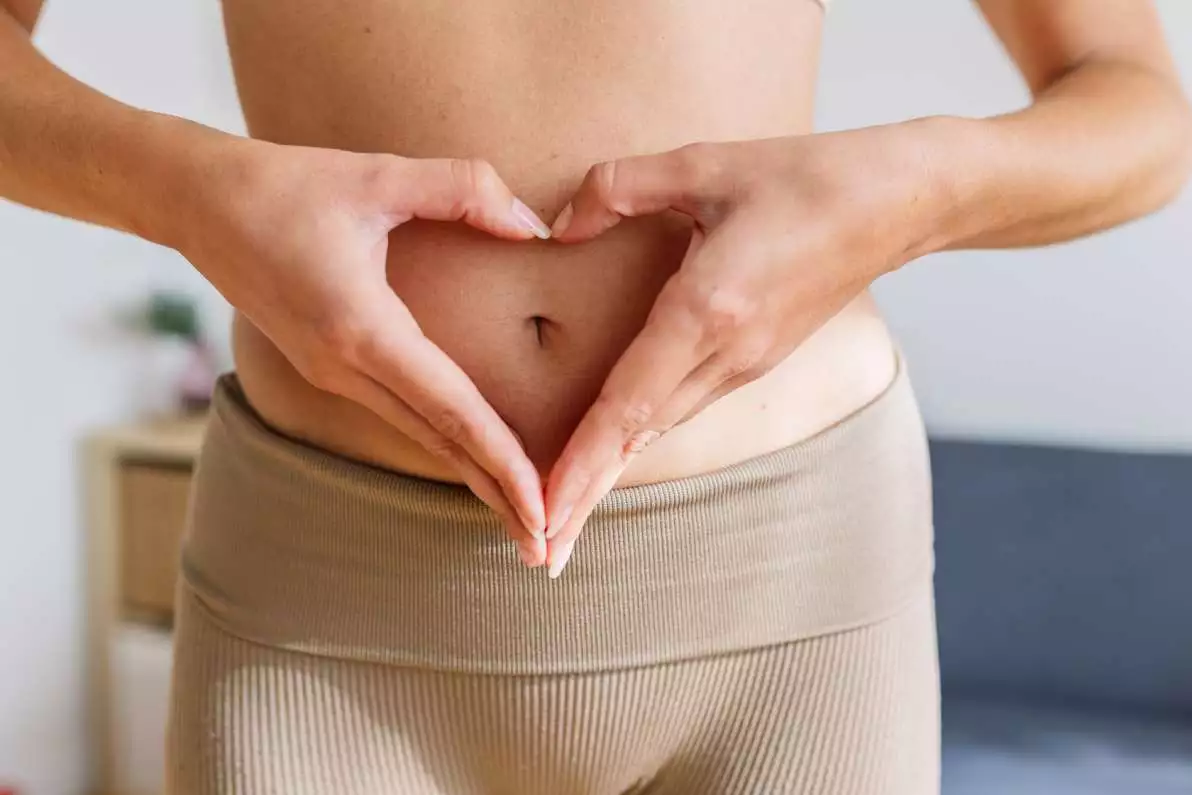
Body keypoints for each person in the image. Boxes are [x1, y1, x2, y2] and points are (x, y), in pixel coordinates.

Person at [2, 0, 1189, 792]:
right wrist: (198, 192)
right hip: (325, 609)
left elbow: (1136, 105)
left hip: (787, 605)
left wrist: (915, 186)